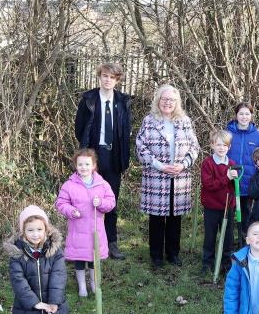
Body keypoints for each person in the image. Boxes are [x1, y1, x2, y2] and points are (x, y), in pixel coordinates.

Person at [135, 84, 200, 268]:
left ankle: (173, 254)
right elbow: (140, 147)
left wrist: (184, 164)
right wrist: (159, 165)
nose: (168, 103)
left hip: (179, 177)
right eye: (164, 99)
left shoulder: (184, 121)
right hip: (156, 175)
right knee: (156, 218)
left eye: (172, 100)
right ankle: (156, 256)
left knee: (174, 217)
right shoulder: (149, 121)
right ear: (158, 100)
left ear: (177, 102)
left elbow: (195, 147)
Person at [4, 205, 70, 314]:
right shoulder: (17, 254)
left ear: (46, 229)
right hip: (28, 307)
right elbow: (18, 281)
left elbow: (59, 276)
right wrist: (35, 303)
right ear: (23, 232)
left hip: (51, 306)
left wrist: (54, 302)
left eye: (39, 229)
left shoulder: (55, 251)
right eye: (30, 230)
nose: (35, 234)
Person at [74, 62, 132, 259]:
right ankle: (89, 244)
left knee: (110, 201)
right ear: (100, 77)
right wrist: (87, 152)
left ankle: (111, 243)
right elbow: (79, 127)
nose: (108, 80)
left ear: (117, 80)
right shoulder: (89, 99)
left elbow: (126, 130)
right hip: (94, 156)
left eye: (112, 77)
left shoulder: (123, 101)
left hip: (114, 156)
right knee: (89, 201)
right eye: (105, 76)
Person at [55, 149, 117, 297]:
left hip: (96, 230)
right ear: (76, 166)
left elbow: (111, 202)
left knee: (93, 260)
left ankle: (94, 284)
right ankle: (82, 286)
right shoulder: (69, 185)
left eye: (87, 164)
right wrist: (71, 211)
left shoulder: (102, 184)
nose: (84, 167)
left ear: (94, 165)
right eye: (80, 164)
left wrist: (101, 202)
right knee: (79, 259)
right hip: (78, 230)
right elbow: (60, 203)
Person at [226, 102, 259, 247]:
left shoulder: (257, 136)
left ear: (251, 116)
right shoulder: (228, 133)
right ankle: (228, 245)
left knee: (246, 215)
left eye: (247, 114)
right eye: (241, 114)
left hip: (248, 184)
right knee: (229, 215)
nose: (244, 117)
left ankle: (244, 242)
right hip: (230, 183)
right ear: (236, 115)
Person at [200, 129, 239, 275]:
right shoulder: (207, 163)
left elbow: (234, 186)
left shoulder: (232, 164)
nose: (221, 148)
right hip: (211, 207)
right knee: (210, 236)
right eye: (218, 145)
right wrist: (227, 178)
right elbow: (208, 184)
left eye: (225, 145)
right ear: (212, 145)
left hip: (227, 207)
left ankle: (226, 263)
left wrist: (235, 179)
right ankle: (207, 263)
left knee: (228, 237)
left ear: (229, 147)